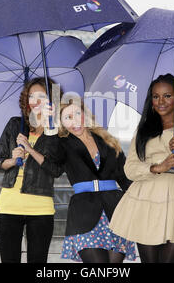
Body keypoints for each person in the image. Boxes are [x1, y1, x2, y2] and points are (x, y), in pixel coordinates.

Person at [109, 73, 174, 263]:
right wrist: (157, 167)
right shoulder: (144, 128)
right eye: (156, 96)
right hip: (146, 199)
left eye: (167, 96)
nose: (161, 101)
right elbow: (129, 169)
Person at [43, 99, 136, 263]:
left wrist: (139, 202)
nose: (75, 121)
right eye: (68, 117)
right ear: (62, 123)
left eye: (77, 114)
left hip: (116, 211)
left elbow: (124, 178)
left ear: (86, 115)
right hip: (83, 214)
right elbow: (54, 158)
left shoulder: (109, 140)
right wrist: (50, 130)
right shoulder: (62, 144)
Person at [0, 77, 63, 263]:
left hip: (41, 210)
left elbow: (56, 169)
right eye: (31, 96)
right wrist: (13, 160)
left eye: (41, 96)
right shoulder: (15, 124)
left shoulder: (58, 131)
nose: (35, 101)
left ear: (52, 100)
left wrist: (30, 149)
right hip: (8, 207)